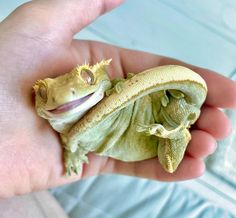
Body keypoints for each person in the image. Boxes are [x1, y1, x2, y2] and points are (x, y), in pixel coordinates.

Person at [0, 0, 235, 198]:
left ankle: (175, 127)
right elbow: (71, 140)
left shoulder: (112, 91)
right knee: (170, 164)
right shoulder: (70, 136)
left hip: (156, 116)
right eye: (42, 92)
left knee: (173, 161)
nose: (65, 94)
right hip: (137, 139)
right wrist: (71, 148)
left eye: (86, 75)